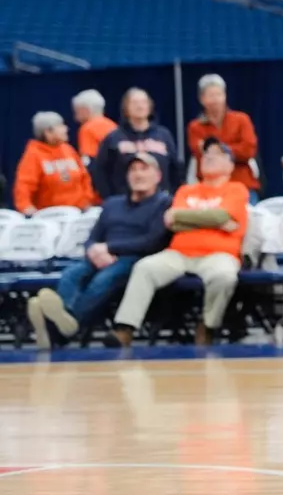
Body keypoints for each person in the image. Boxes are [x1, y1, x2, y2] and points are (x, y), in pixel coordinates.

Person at [112, 138, 251, 348]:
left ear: (230, 166)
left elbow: (220, 216)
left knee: (224, 276)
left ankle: (208, 325)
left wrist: (186, 217)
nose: (209, 157)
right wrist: (214, 221)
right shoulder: (186, 190)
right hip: (179, 253)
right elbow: (172, 223)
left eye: (217, 154)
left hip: (220, 254)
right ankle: (125, 328)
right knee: (145, 268)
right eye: (206, 154)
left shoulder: (236, 189)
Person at [26, 153, 170, 349]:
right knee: (70, 274)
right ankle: (62, 322)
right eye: (133, 170)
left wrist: (109, 248)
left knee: (103, 279)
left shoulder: (163, 204)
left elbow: (153, 241)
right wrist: (93, 250)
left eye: (144, 169)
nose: (138, 174)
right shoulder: (112, 204)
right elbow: (93, 237)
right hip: (101, 255)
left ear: (158, 176)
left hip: (135, 258)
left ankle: (58, 330)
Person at [92, 89, 182, 198]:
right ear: (126, 108)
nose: (140, 106)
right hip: (125, 201)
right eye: (135, 103)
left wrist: (172, 195)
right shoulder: (114, 138)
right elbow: (100, 171)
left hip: (160, 201)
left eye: (144, 102)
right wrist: (111, 199)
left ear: (150, 106)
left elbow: (176, 169)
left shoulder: (164, 135)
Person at [186, 74, 260, 198]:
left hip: (242, 185)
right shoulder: (195, 127)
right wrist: (232, 150)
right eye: (211, 95)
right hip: (210, 191)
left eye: (219, 94)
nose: (216, 99)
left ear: (225, 96)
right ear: (202, 99)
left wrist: (218, 149)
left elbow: (249, 150)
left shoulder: (241, 119)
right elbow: (199, 153)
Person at [14, 111, 93, 215]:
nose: (66, 129)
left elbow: (84, 178)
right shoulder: (33, 155)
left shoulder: (68, 150)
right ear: (48, 132)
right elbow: (24, 185)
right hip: (50, 216)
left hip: (78, 213)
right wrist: (26, 208)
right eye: (61, 126)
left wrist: (87, 200)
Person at [72, 89, 118, 202]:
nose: (75, 115)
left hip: (100, 192)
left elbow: (89, 164)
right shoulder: (113, 126)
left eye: (76, 110)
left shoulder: (87, 129)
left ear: (85, 110)